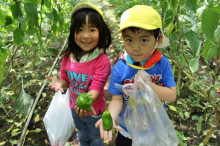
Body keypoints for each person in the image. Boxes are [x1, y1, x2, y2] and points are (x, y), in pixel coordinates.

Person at [95, 5, 177, 145]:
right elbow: (117, 99)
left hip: (153, 127)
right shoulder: (120, 68)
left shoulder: (161, 64)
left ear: (158, 39)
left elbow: (171, 95)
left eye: (143, 40)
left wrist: (148, 86)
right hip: (127, 129)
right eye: (129, 40)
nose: (135, 47)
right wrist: (111, 117)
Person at [46, 2, 112, 146]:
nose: (86, 36)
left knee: (95, 138)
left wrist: (86, 103)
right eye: (80, 29)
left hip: (94, 110)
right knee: (82, 133)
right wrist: (60, 84)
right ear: (73, 32)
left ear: (101, 32)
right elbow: (66, 80)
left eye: (92, 30)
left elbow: (96, 88)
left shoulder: (102, 61)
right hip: (73, 106)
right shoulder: (68, 56)